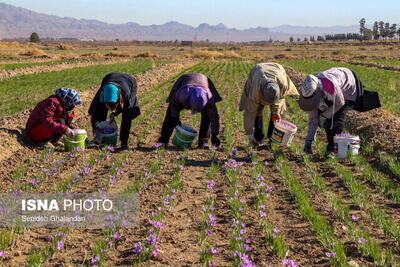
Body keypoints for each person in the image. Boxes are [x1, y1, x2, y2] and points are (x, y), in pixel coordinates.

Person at [299, 67, 364, 157]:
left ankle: (332, 150)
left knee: (336, 118)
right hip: (330, 89)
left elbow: (340, 103)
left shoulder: (331, 87)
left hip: (348, 87)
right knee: (326, 117)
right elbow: (313, 116)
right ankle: (329, 148)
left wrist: (325, 115)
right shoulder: (312, 88)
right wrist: (308, 140)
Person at [239, 62, 298, 147]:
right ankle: (259, 138)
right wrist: (250, 135)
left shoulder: (283, 84)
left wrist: (276, 112)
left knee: (276, 114)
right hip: (258, 70)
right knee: (257, 111)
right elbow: (249, 112)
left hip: (277, 69)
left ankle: (272, 138)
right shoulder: (255, 91)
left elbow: (280, 99)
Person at [157, 73, 222, 148]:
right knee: (170, 115)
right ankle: (163, 140)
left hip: (203, 80)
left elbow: (214, 118)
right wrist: (175, 117)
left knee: (207, 115)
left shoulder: (209, 100)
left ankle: (203, 142)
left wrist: (215, 135)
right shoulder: (182, 95)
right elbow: (173, 105)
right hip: (184, 80)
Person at [89, 72, 140, 150]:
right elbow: (95, 112)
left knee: (128, 113)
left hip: (130, 81)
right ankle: (100, 138)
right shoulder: (101, 95)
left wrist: (114, 114)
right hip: (109, 77)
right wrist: (96, 129)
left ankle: (124, 142)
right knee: (100, 110)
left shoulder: (126, 94)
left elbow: (126, 116)